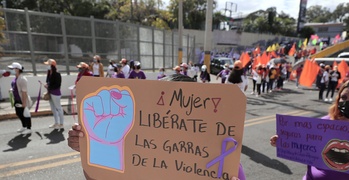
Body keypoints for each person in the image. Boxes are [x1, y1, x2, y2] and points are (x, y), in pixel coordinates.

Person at [67, 74, 246, 180]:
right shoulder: (141, 158)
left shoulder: (224, 163)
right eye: (162, 120)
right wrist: (101, 145)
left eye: (186, 122)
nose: (175, 125)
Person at [270, 78, 349, 179]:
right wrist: (286, 141)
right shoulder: (324, 123)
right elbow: (308, 148)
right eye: (343, 97)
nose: (347, 101)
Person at [8, 62, 33, 134]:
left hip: (22, 99)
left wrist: (24, 103)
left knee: (26, 114)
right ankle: (24, 126)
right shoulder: (16, 78)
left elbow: (24, 92)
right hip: (16, 98)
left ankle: (29, 128)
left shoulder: (22, 79)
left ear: (17, 69)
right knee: (19, 113)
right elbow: (16, 87)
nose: (11, 70)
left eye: (12, 68)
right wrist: (12, 89)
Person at [44, 59, 64, 129]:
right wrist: (47, 85)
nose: (47, 66)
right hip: (50, 92)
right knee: (53, 109)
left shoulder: (57, 74)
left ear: (52, 65)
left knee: (58, 108)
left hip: (55, 93)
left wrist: (48, 86)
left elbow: (57, 85)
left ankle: (61, 124)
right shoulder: (49, 73)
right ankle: (56, 123)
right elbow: (48, 82)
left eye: (48, 65)